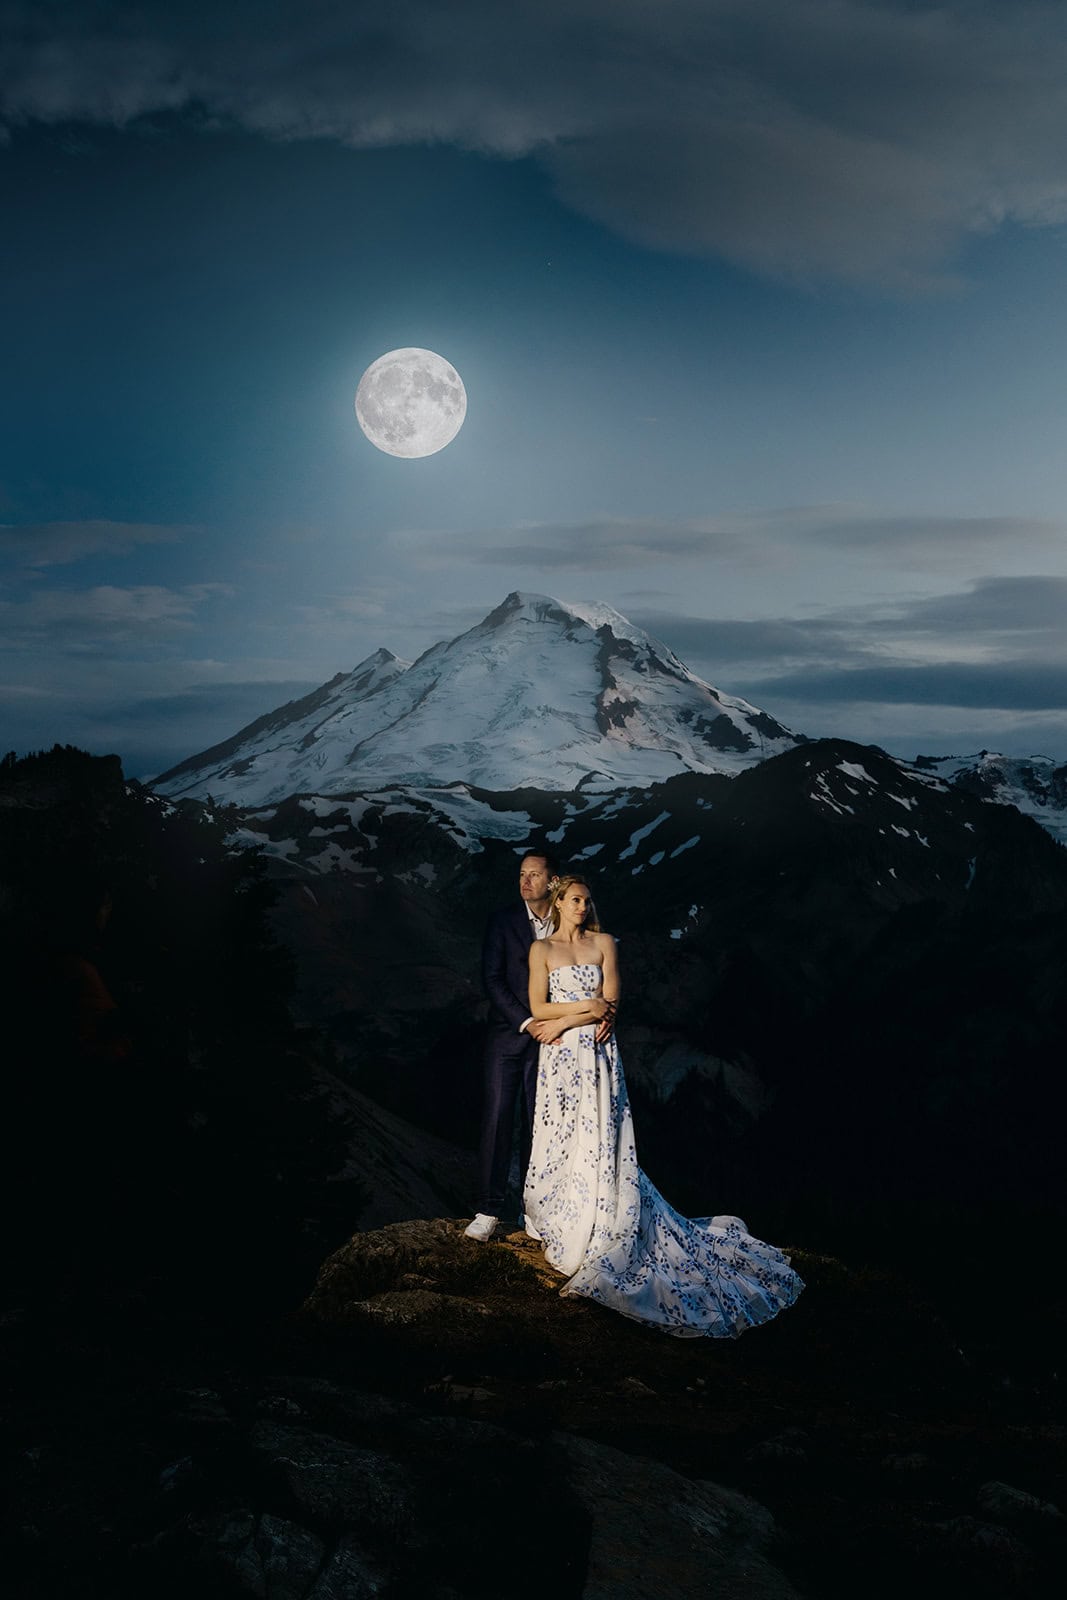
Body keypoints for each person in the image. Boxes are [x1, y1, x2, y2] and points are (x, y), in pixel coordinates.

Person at [523, 876, 804, 1337]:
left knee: (601, 1135)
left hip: (596, 1054)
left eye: (587, 900)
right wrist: (580, 1012)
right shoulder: (542, 951)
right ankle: (559, 1211)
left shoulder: (604, 943)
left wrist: (584, 1012)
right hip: (561, 1055)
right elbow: (538, 1005)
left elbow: (610, 1002)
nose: (583, 906)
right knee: (561, 1133)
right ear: (557, 903)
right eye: (575, 900)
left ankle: (602, 1210)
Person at [464, 851, 561, 1241]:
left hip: (554, 1043)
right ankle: (488, 1210)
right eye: (522, 874)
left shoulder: (566, 922)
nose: (525, 881)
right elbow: (492, 979)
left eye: (534, 875)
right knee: (498, 1120)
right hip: (508, 1036)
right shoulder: (502, 921)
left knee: (541, 1127)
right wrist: (528, 1021)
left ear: (552, 882)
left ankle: (532, 1212)